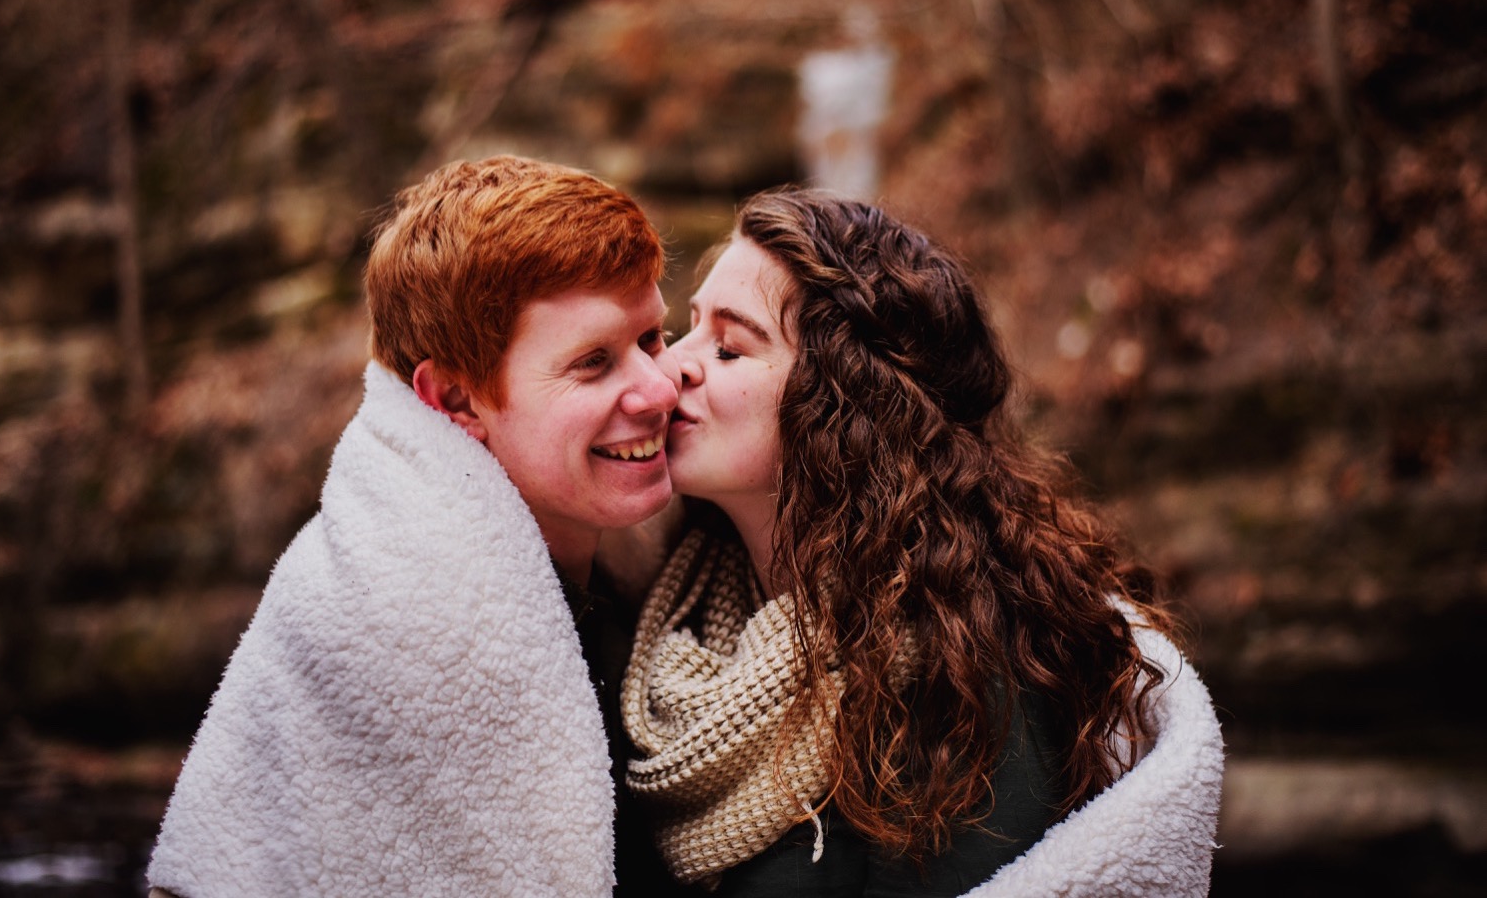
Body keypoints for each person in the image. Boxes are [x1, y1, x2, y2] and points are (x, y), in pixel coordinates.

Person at [619, 189, 1224, 896]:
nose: (671, 369)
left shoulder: (964, 676)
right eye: (687, 331)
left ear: (842, 404)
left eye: (728, 347)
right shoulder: (667, 614)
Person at [147, 156, 689, 897]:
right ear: (456, 401)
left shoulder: (650, 572)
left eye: (653, 339)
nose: (660, 388)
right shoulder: (408, 621)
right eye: (593, 363)